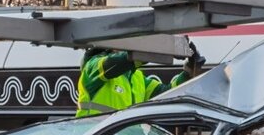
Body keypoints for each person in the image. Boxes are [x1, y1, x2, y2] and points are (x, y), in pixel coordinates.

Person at [76, 44, 205, 117]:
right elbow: (117, 63)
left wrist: (189, 72)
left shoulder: (137, 78)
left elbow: (169, 92)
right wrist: (159, 48)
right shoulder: (92, 66)